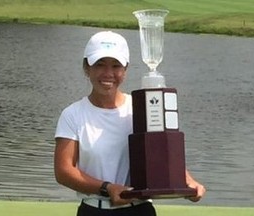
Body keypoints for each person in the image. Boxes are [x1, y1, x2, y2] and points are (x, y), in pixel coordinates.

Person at [54, 31, 206, 216]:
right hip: (94, 210)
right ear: (87, 68)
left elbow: (162, 154)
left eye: (116, 65)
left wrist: (187, 181)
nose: (108, 73)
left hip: (139, 210)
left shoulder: (140, 108)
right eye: (100, 65)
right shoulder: (73, 114)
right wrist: (107, 188)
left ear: (125, 70)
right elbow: (63, 171)